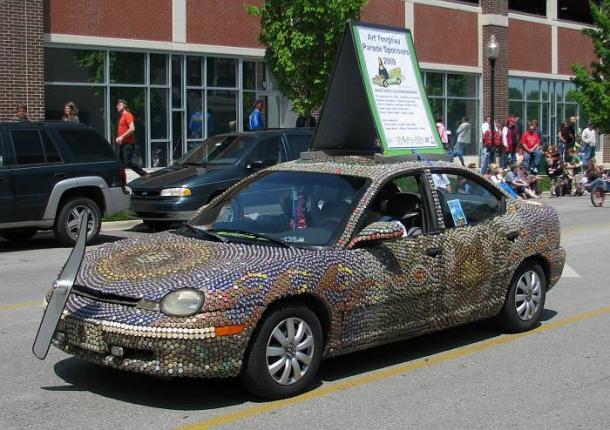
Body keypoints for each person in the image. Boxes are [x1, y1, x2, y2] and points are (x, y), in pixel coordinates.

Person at [115, 99, 148, 177]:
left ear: (124, 106)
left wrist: (121, 137)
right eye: (117, 105)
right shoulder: (122, 116)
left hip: (128, 143)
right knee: (119, 163)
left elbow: (132, 128)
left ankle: (143, 173)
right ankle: (120, 179)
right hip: (122, 144)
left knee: (126, 161)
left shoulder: (127, 115)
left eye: (119, 105)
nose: (117, 107)